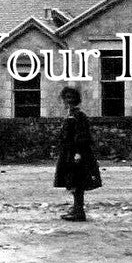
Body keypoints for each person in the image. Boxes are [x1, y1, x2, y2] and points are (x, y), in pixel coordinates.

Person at [54, 86, 102, 222]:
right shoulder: (71, 115)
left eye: (69, 99)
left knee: (77, 183)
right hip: (69, 153)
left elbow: (82, 137)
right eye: (66, 99)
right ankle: (76, 208)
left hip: (76, 154)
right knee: (72, 182)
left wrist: (78, 153)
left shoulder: (78, 116)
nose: (66, 102)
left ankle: (79, 211)